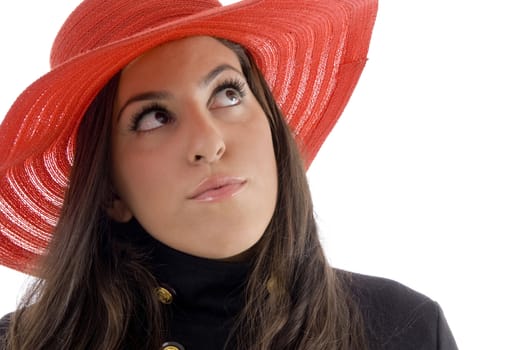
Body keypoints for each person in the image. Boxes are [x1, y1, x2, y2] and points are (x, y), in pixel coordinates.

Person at [0, 0, 458, 349]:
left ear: (272, 125)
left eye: (227, 92)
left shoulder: (405, 328)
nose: (209, 142)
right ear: (108, 192)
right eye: (154, 117)